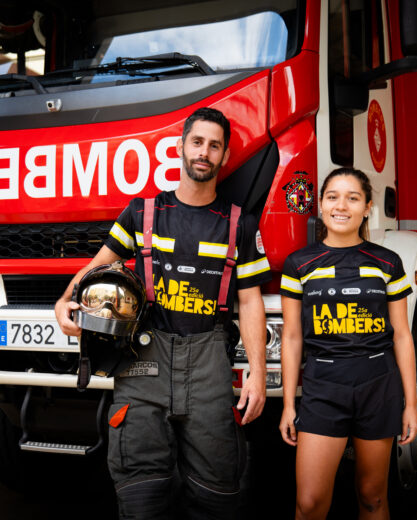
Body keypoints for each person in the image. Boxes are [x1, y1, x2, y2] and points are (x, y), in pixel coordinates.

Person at [55, 107, 271, 519]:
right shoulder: (143, 213)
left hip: (209, 368)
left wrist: (258, 373)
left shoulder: (240, 225)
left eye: (214, 145)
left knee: (217, 495)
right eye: (197, 142)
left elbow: (250, 302)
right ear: (180, 147)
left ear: (224, 156)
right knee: (140, 495)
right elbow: (95, 270)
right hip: (143, 364)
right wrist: (63, 300)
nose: (204, 152)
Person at [279, 167, 417, 520]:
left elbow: (402, 335)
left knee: (372, 498)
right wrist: (287, 404)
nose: (341, 206)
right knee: (309, 503)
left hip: (378, 385)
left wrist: (411, 404)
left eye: (352, 198)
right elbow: (293, 337)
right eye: (332, 197)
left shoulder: (387, 263)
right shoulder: (299, 264)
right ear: (321, 206)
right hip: (323, 387)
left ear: (367, 207)